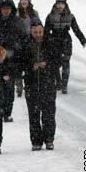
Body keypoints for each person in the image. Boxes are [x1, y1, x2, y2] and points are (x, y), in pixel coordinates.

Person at [20, 18, 60, 150]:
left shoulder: (50, 42)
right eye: (35, 32)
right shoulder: (25, 43)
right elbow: (20, 63)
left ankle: (49, 139)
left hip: (47, 82)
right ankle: (36, 141)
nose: (38, 34)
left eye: (40, 32)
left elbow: (57, 61)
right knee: (34, 114)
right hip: (32, 83)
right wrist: (32, 66)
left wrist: (46, 65)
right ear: (31, 31)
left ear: (43, 30)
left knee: (48, 113)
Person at [44, 0, 86, 94]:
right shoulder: (50, 16)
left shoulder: (70, 16)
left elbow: (76, 29)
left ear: (65, 5)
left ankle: (64, 85)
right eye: (58, 4)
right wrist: (46, 42)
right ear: (55, 4)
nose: (60, 6)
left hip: (66, 41)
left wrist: (82, 39)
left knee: (65, 63)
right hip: (54, 41)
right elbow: (46, 31)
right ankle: (58, 82)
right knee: (54, 64)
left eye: (62, 4)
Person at [14, 0, 36, 96]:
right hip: (18, 42)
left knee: (28, 65)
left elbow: (38, 26)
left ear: (29, 1)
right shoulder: (16, 13)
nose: (23, 1)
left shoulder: (34, 13)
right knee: (18, 65)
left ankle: (28, 85)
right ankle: (19, 86)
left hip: (30, 42)